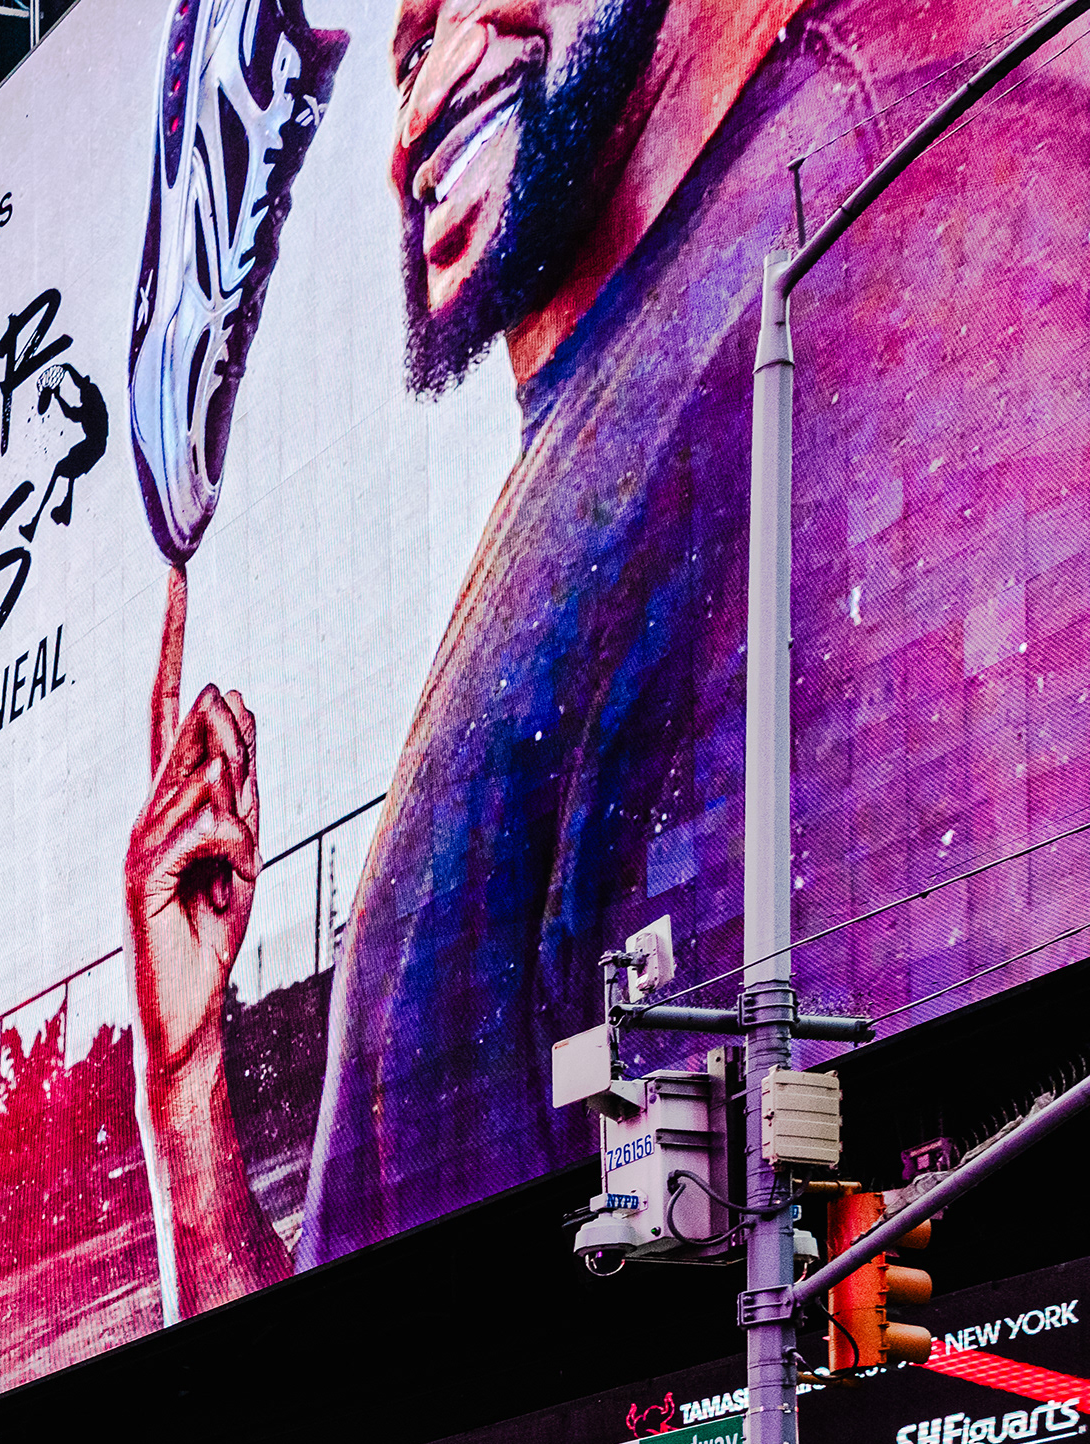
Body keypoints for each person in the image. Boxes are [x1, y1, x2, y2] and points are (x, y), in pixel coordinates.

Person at [129, 0, 1090, 1319]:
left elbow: (883, 1256)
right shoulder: (624, 397)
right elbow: (371, 1392)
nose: (418, 26)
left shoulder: (893, 256)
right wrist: (185, 1092)